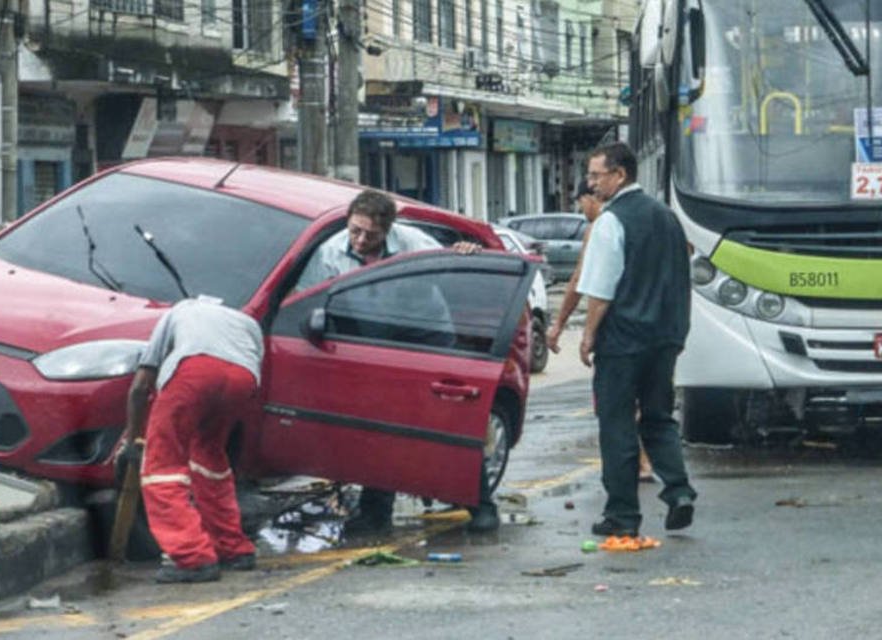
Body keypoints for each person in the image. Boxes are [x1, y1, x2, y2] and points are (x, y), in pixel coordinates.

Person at [296, 189, 499, 535]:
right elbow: (306, 298)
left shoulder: (413, 243)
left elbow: (456, 267)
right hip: (371, 341)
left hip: (424, 334)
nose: (360, 241)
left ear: (388, 231)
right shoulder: (330, 254)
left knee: (449, 422)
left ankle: (480, 504)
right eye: (355, 231)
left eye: (370, 235)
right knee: (381, 427)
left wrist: (467, 253)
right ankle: (376, 512)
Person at [576, 142, 697, 538]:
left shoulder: (612, 221)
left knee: (617, 425)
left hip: (623, 341)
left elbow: (600, 289)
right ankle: (679, 492)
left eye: (597, 175)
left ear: (620, 175)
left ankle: (623, 515)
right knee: (659, 418)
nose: (591, 184)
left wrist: (589, 336)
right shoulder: (667, 217)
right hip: (666, 337)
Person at [119, 297, 264, 583]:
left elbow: (140, 386)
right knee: (209, 458)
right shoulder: (246, 322)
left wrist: (133, 439)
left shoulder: (180, 312)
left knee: (161, 465)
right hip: (244, 378)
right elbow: (251, 364)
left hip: (194, 371)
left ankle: (191, 557)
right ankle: (234, 549)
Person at [547, 179, 654, 483]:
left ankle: (637, 465)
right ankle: (646, 463)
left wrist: (565, 326)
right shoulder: (648, 219)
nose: (580, 209)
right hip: (653, 327)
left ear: (590, 198)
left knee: (616, 403)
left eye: (580, 201)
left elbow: (583, 281)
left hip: (618, 331)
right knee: (642, 401)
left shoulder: (602, 226)